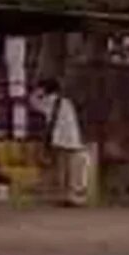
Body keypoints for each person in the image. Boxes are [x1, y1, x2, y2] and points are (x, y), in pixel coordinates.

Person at [30, 78, 90, 206]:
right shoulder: (66, 102)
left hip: (60, 140)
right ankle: (72, 197)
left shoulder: (48, 102)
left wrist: (37, 92)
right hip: (73, 140)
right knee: (72, 171)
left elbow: (33, 102)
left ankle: (63, 196)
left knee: (61, 170)